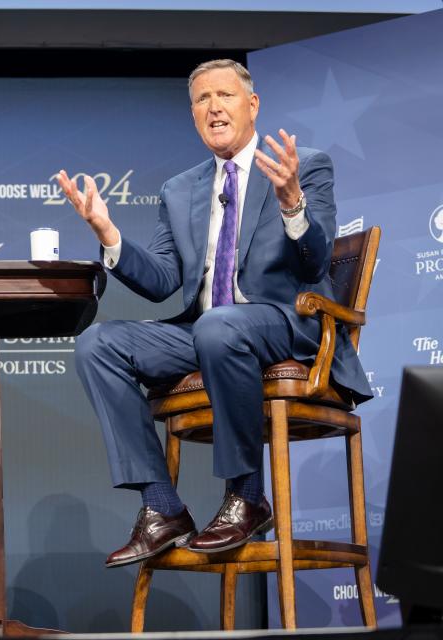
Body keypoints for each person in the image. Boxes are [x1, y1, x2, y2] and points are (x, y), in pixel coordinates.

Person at [58, 59, 371, 567]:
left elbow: (315, 259)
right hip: (206, 331)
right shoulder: (180, 190)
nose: (214, 107)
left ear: (252, 106)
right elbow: (161, 281)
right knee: (100, 343)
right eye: (202, 100)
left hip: (284, 325)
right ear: (193, 115)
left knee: (219, 326)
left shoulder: (305, 166)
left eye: (225, 95)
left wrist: (292, 201)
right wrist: (107, 234)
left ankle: (246, 495)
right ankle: (162, 507)